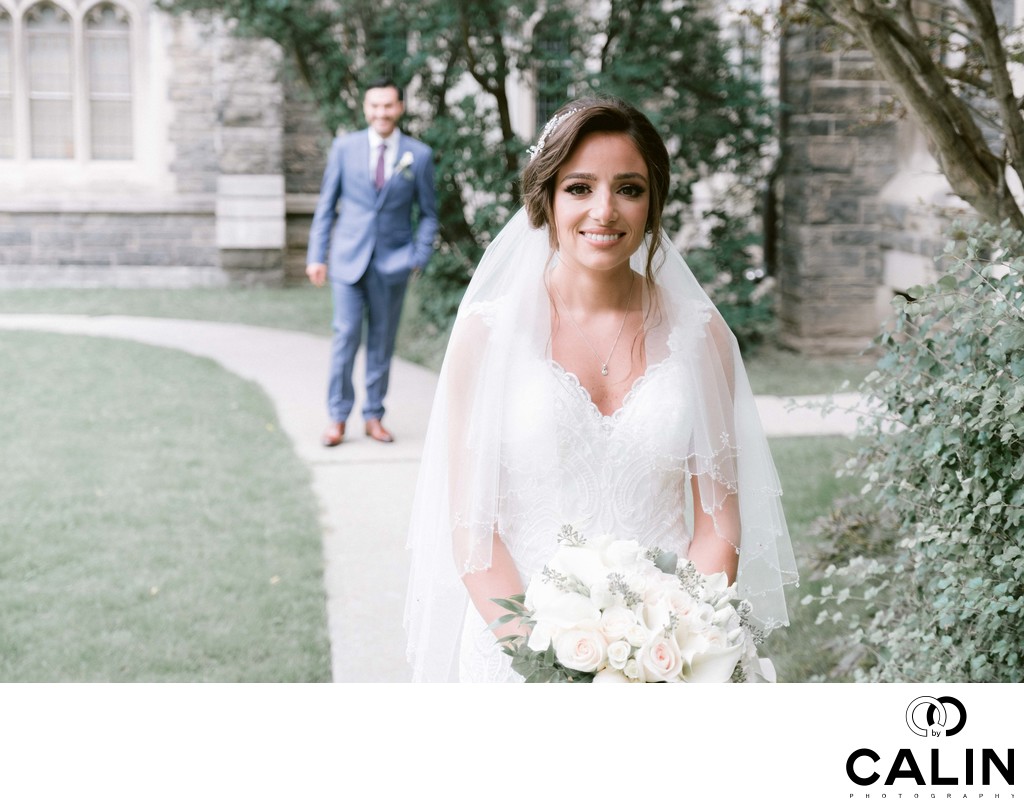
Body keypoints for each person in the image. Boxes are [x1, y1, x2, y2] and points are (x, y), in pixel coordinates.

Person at [404, 97, 797, 682]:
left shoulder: (701, 336)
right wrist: (549, 667)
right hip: (516, 650)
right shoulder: (488, 336)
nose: (605, 211)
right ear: (547, 200)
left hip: (673, 657)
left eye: (630, 189)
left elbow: (717, 526)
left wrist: (672, 643)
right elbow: (471, 533)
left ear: (653, 203)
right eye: (580, 188)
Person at [306, 78, 438, 446]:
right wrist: (317, 255)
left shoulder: (419, 155)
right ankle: (337, 417)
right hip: (347, 261)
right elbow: (326, 207)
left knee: (381, 342)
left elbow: (428, 213)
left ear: (400, 108)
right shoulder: (344, 148)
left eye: (388, 106)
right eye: (375, 106)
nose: (381, 112)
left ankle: (374, 415)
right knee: (345, 336)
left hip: (393, 263)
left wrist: (418, 254)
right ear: (366, 109)